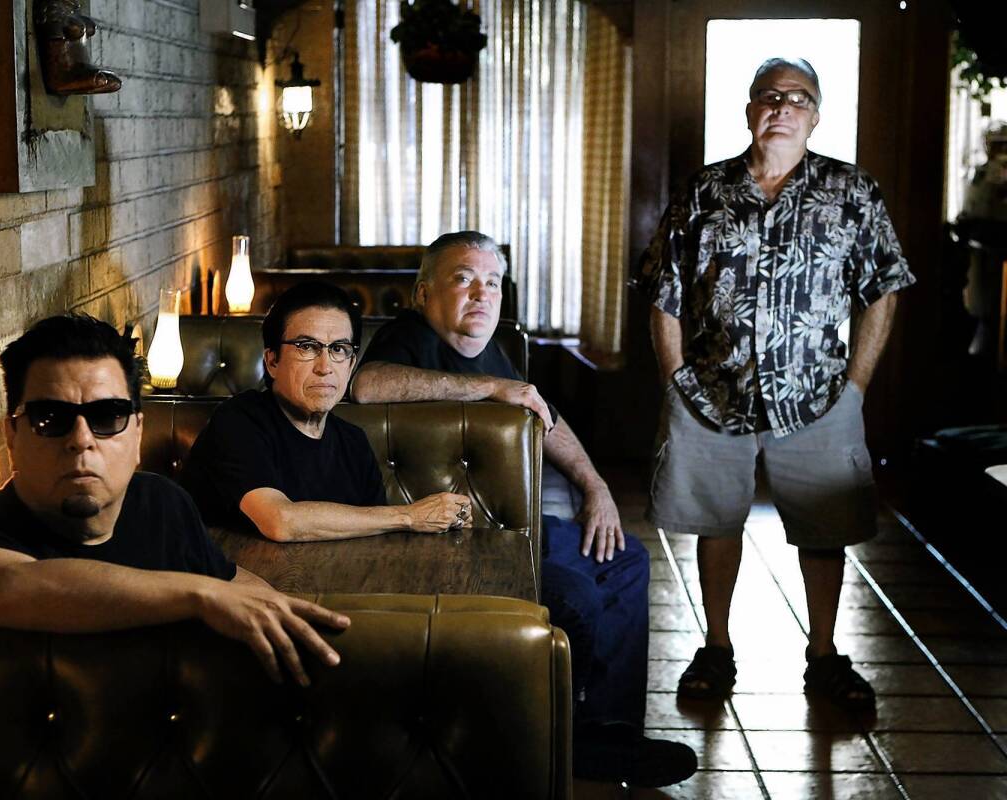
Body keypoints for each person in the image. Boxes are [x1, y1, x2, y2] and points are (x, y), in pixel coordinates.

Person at [350, 232, 696, 789]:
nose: (481, 294)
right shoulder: (405, 338)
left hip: (505, 533)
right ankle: (565, 737)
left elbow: (542, 413)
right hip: (438, 546)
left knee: (625, 557)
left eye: (492, 282)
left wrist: (594, 485)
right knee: (576, 597)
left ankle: (609, 729)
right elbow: (366, 386)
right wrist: (490, 388)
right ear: (422, 294)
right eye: (463, 279)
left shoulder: (490, 346)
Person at [639, 58, 915, 711]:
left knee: (825, 529)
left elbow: (884, 291)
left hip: (819, 396)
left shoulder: (852, 191)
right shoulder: (704, 190)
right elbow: (664, 294)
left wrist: (856, 387)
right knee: (716, 521)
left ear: (816, 115)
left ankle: (824, 654)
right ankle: (716, 647)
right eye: (769, 96)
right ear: (750, 110)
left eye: (798, 98)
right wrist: (676, 378)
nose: (782, 107)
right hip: (711, 389)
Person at [0, 314, 349, 688]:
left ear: (137, 434)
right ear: (11, 436)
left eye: (107, 417)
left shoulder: (161, 502)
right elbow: (10, 589)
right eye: (50, 419)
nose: (81, 441)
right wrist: (201, 594)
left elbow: (234, 587)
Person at [186, 280, 474, 540]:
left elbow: (374, 538)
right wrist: (409, 516)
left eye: (338, 349)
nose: (325, 368)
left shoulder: (354, 443)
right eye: (307, 346)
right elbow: (280, 521)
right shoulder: (238, 421)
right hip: (237, 590)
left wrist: (449, 517)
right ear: (272, 361)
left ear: (350, 365)